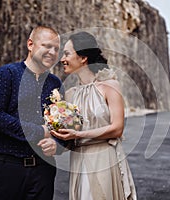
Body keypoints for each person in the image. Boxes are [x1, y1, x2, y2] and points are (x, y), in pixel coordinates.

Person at [0, 26, 65, 200]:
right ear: (30, 44)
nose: (52, 52)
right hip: (6, 169)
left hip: (43, 171)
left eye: (56, 48)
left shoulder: (55, 83)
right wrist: (39, 131)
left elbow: (61, 122)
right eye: (46, 46)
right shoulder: (7, 74)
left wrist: (57, 145)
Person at [50, 32, 137, 200]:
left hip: (104, 159)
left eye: (67, 53)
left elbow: (117, 128)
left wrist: (79, 135)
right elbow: (66, 135)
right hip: (78, 161)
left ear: (83, 57)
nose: (62, 59)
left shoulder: (110, 86)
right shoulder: (69, 95)